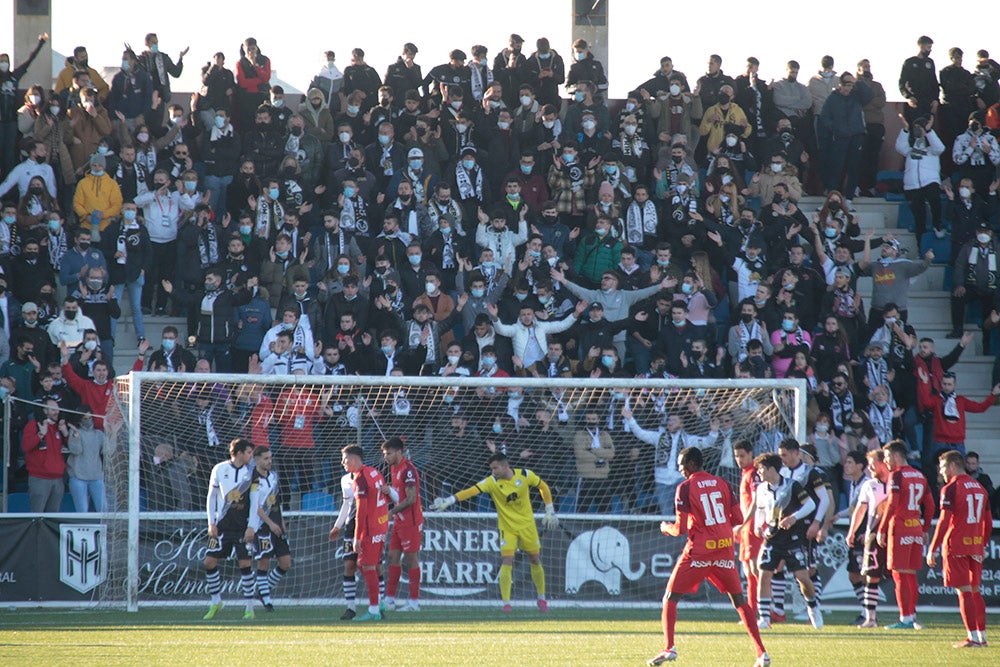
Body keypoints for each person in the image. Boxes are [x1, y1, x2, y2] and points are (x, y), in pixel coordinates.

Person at [649, 446, 768, 667]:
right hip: (723, 548)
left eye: (682, 465)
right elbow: (738, 517)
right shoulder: (722, 483)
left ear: (692, 464)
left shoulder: (685, 488)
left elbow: (681, 529)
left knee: (670, 598)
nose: (680, 469)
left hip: (700, 551)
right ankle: (761, 654)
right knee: (740, 601)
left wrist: (666, 527)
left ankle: (669, 648)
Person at [432, 452, 557, 612]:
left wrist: (550, 509)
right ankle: (506, 604)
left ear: (506, 466)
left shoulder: (525, 474)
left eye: (496, 468)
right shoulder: (492, 482)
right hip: (507, 528)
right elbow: (471, 491)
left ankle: (541, 598)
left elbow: (543, 486)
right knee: (507, 560)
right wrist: (449, 500)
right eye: (491, 469)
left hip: (527, 526)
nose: (493, 472)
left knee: (534, 559)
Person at [927, 450, 991, 648]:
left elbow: (945, 521)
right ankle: (982, 636)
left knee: (963, 592)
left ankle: (972, 638)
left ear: (953, 466)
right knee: (975, 591)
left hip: (956, 545)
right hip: (975, 545)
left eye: (943, 466)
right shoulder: (980, 487)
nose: (941, 471)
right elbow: (987, 522)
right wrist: (982, 543)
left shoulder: (951, 488)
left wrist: (933, 547)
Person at [752, 452, 823, 630]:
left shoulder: (793, 486)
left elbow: (811, 505)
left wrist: (793, 517)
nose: (758, 473)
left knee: (802, 578)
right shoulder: (761, 489)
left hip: (792, 539)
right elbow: (760, 509)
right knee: (764, 574)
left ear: (771, 469)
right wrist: (757, 526)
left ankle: (813, 608)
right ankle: (764, 618)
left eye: (760, 469)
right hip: (772, 538)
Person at [876, 440, 934, 630]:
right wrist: (925, 529)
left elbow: (892, 504)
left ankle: (905, 619)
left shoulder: (897, 475)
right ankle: (912, 616)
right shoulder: (919, 474)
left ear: (895, 455)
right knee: (910, 575)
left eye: (886, 457)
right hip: (915, 528)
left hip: (900, 529)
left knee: (900, 575)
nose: (886, 462)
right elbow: (931, 506)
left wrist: (882, 529)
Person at [202, 438, 256, 620]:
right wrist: (211, 522)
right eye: (249, 452)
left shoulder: (251, 472)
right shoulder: (219, 469)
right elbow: (211, 497)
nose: (251, 456)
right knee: (209, 562)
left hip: (243, 526)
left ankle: (249, 609)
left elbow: (255, 501)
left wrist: (252, 526)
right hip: (222, 525)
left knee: (245, 564)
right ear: (239, 453)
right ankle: (216, 601)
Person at [336, 445, 389, 622]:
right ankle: (378, 604)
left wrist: (358, 537)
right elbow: (384, 498)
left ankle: (374, 610)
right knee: (365, 566)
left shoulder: (360, 480)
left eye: (345, 458)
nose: (343, 462)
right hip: (380, 526)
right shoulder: (375, 473)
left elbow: (361, 512)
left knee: (368, 567)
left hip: (369, 529)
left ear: (354, 459)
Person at [846, 449, 891, 628]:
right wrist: (852, 531)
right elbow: (861, 509)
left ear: (883, 463)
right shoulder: (869, 485)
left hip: (894, 534)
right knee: (869, 576)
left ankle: (909, 617)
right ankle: (870, 618)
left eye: (873, 463)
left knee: (901, 576)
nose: (870, 467)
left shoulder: (897, 482)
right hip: (872, 537)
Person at [380, 437, 424, 612]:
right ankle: (390, 600)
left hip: (411, 521)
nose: (386, 457)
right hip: (400, 520)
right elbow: (400, 493)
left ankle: (414, 603)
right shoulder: (393, 468)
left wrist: (392, 511)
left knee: (411, 560)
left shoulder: (408, 470)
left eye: (389, 453)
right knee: (392, 556)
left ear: (399, 452)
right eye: (384, 454)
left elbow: (411, 499)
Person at [248, 445, 291, 613]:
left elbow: (276, 501)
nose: (269, 461)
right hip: (261, 526)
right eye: (265, 458)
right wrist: (270, 524)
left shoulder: (273, 476)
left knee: (286, 563)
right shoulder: (253, 478)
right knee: (263, 561)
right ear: (257, 460)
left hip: (276, 523)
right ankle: (266, 599)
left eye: (270, 458)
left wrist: (280, 521)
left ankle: (262, 590)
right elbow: (256, 506)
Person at [21, 399, 68, 512]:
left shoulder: (59, 427)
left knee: (53, 516)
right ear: (44, 410)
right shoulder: (34, 425)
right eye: (53, 409)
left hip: (58, 479)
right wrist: (41, 434)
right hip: (40, 478)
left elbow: (72, 448)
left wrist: (66, 434)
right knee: (37, 516)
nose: (56, 412)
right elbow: (25, 447)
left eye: (57, 409)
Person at [66, 406, 111, 512]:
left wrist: (112, 434)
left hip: (96, 477)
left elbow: (108, 452)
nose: (88, 421)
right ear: (80, 419)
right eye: (85, 419)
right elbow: (76, 451)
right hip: (78, 478)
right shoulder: (74, 432)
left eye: (90, 418)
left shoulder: (99, 434)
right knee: (82, 511)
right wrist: (76, 437)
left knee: (103, 510)